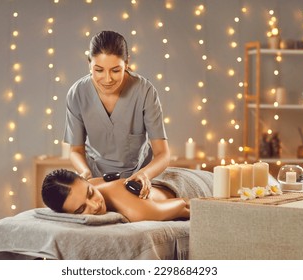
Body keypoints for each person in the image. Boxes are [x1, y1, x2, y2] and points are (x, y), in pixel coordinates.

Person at [63, 30, 170, 199]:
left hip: (138, 178)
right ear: (89, 64)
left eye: (115, 70)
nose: (107, 79)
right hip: (96, 178)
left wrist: (144, 175)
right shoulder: (77, 93)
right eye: (99, 70)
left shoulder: (145, 91)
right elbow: (76, 150)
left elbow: (163, 154)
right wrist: (84, 172)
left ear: (127, 64)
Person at [41, 169, 195, 222]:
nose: (95, 206)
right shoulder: (89, 183)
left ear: (86, 181)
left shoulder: (136, 211)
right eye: (81, 210)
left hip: (185, 181)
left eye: (91, 192)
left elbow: (186, 204)